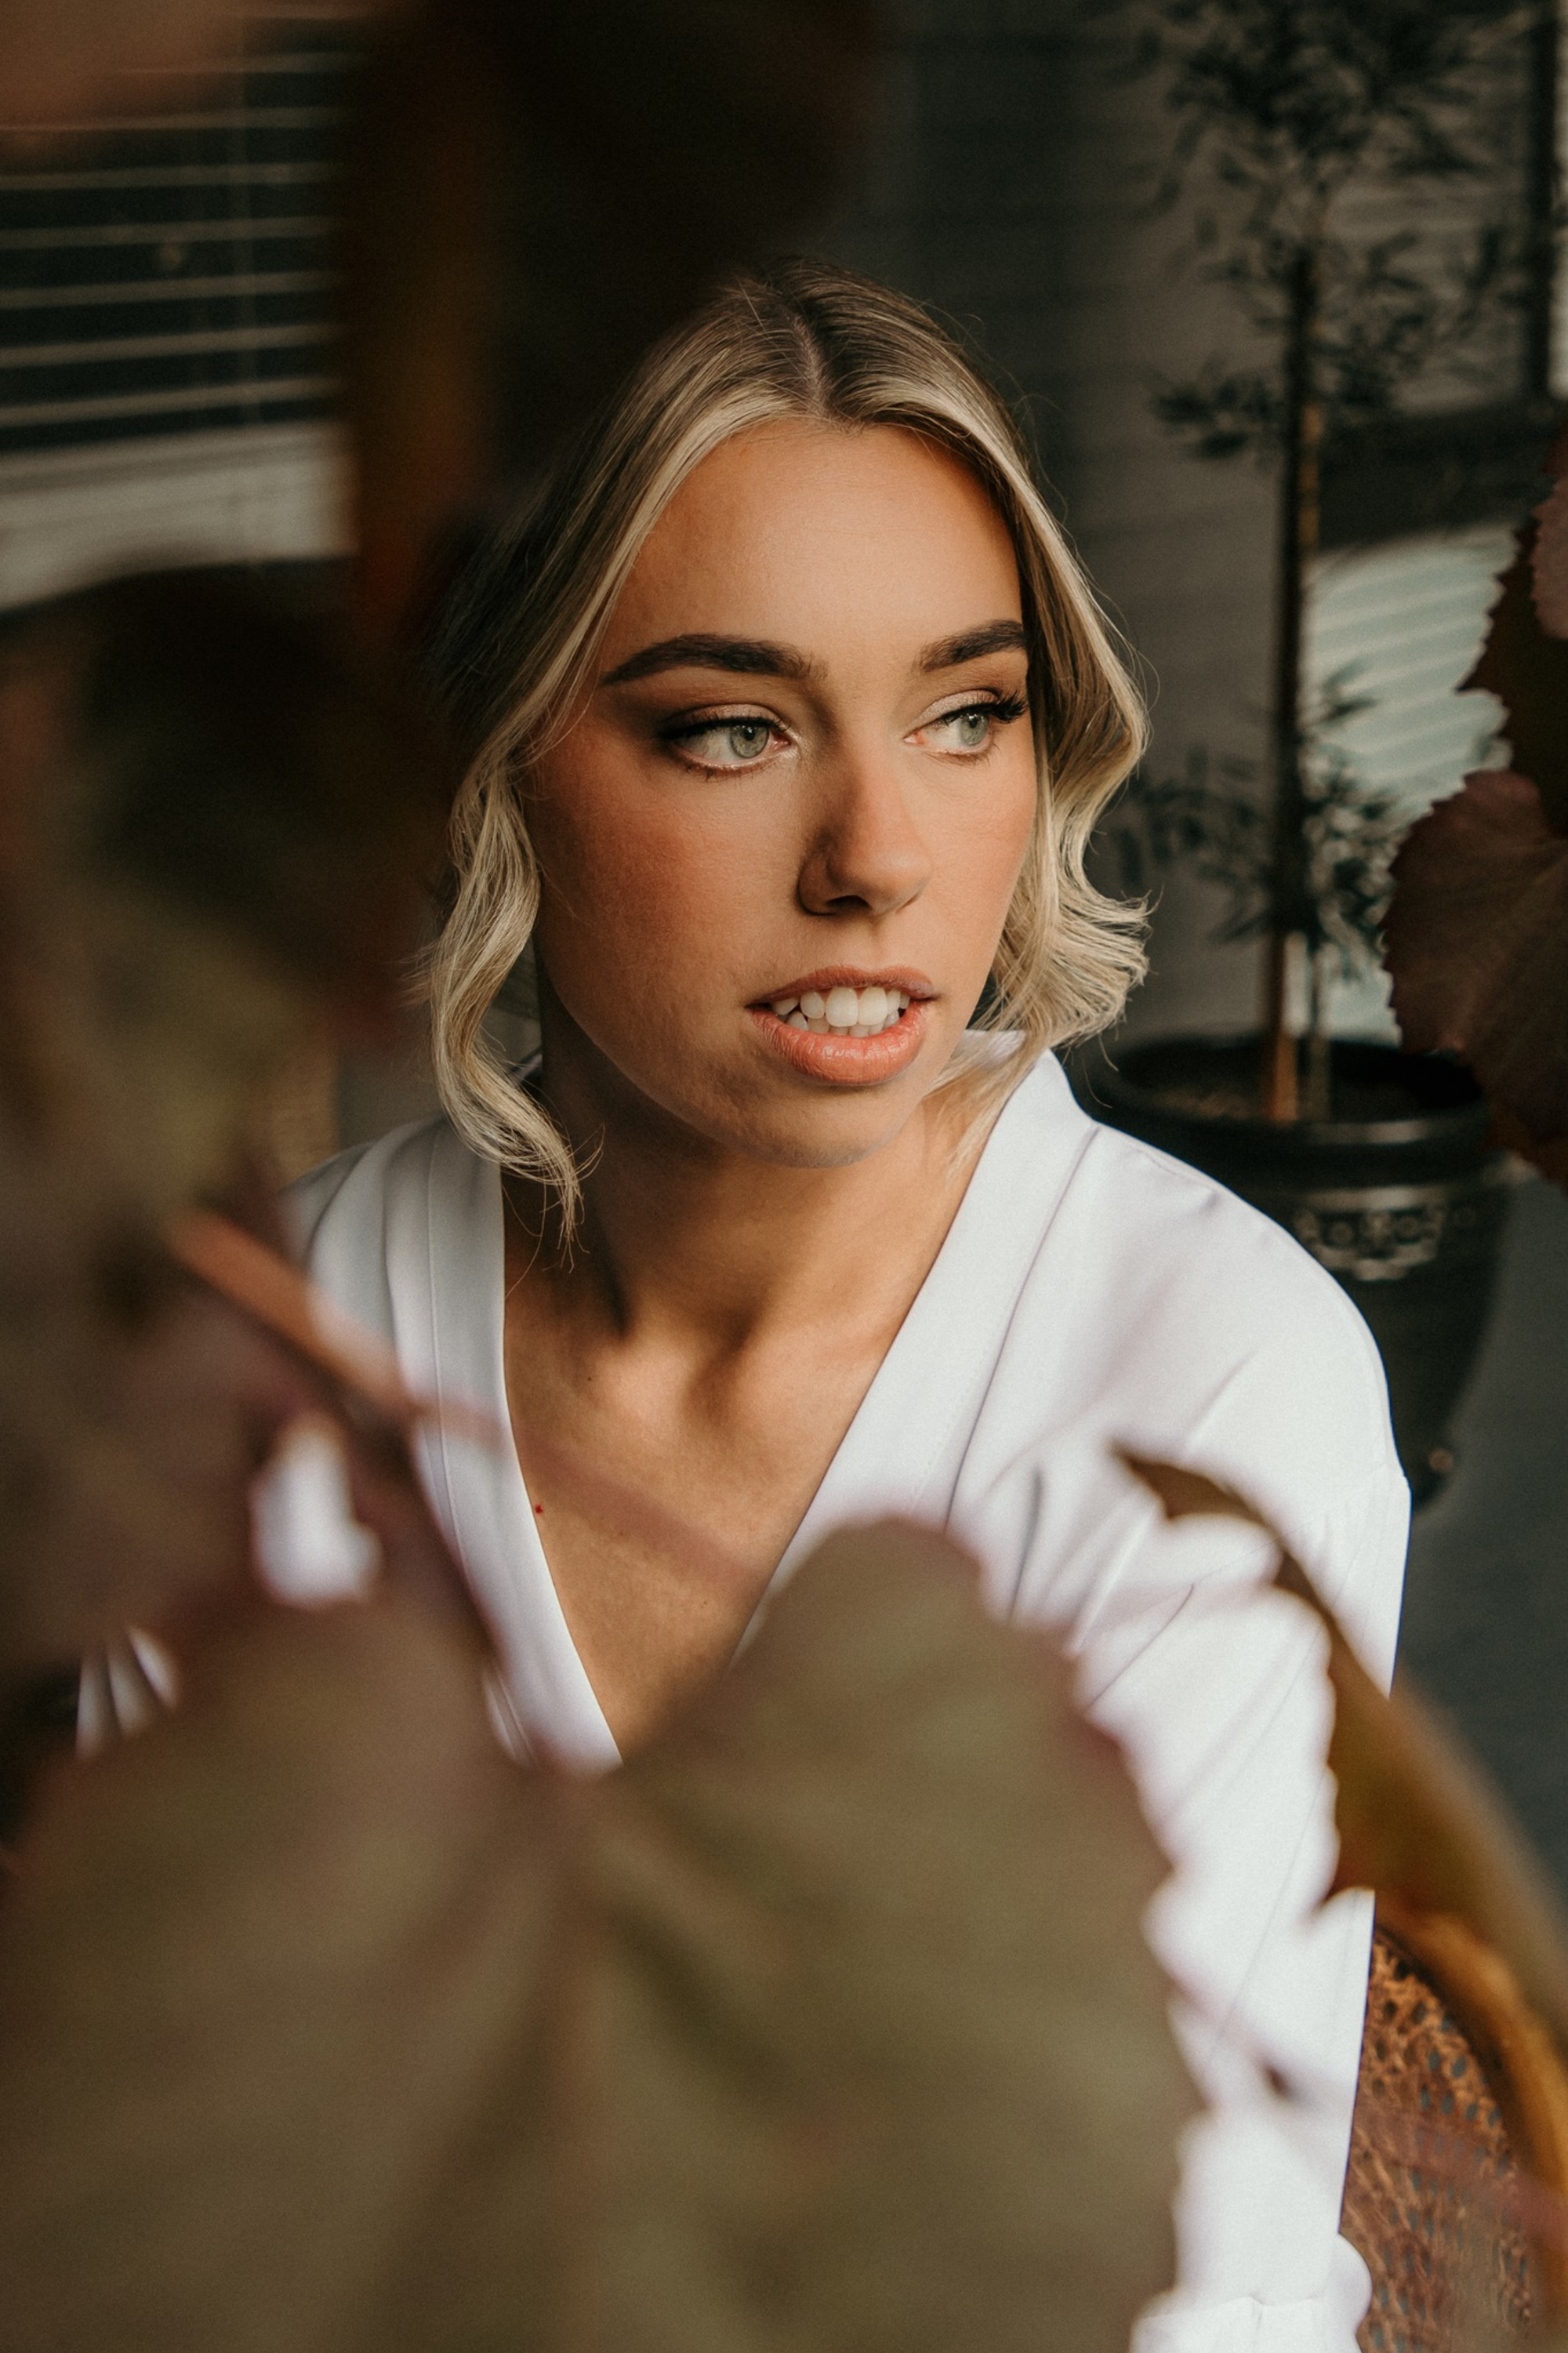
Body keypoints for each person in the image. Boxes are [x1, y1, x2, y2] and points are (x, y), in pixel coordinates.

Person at [292, 259, 1409, 2353]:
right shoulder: (291, 1343)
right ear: (511, 754)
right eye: (732, 727)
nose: (880, 856)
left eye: (966, 712)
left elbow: (1168, 2290)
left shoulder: (1207, 1388)